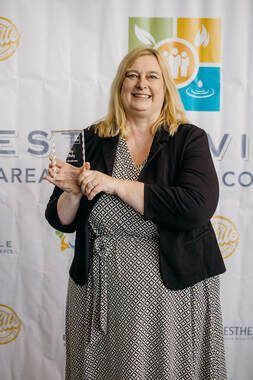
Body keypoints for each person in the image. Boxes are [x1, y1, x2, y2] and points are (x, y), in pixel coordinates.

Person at [45, 46, 227, 380]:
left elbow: (196, 206)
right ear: (120, 86)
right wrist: (71, 193)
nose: (141, 83)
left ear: (165, 88)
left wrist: (113, 184)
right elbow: (60, 218)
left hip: (170, 291)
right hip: (100, 288)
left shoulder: (188, 139)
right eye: (132, 75)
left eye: (152, 76)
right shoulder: (93, 138)